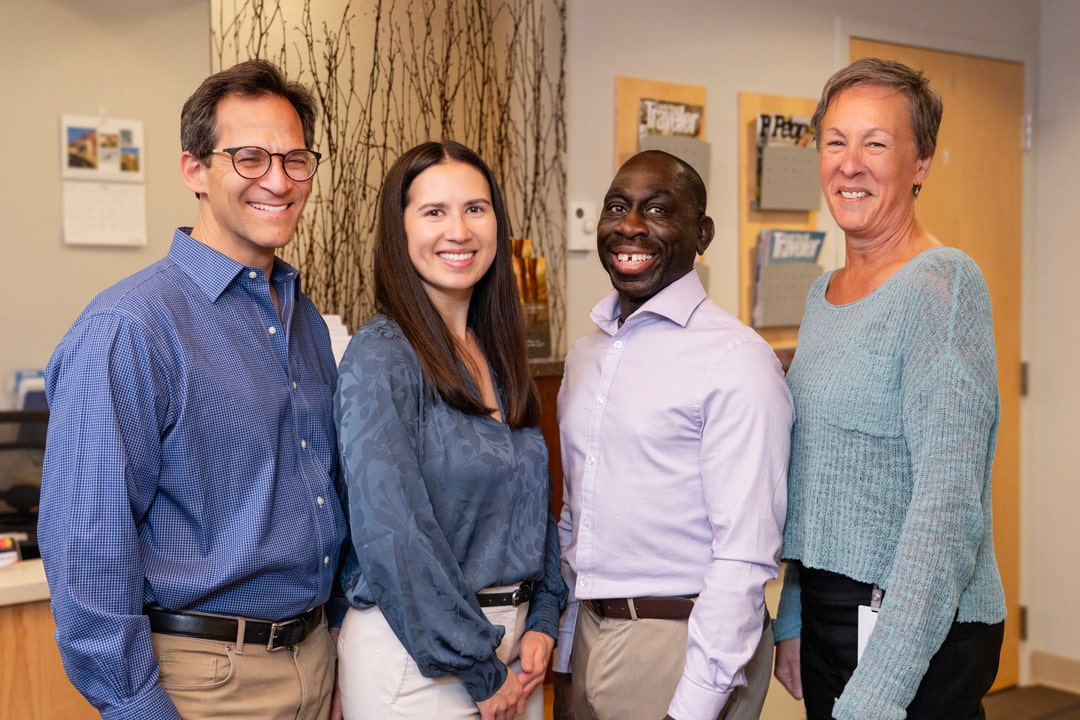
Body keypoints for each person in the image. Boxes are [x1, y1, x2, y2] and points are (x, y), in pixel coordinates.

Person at [39, 59, 347, 720]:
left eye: (295, 160)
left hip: (317, 659)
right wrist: (137, 706)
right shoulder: (130, 328)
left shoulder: (305, 323)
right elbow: (87, 549)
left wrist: (340, 651)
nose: (278, 181)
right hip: (205, 683)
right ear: (194, 170)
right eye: (249, 158)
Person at [771, 57, 1007, 720]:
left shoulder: (943, 285)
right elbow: (820, 472)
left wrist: (880, 688)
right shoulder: (823, 293)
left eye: (875, 144)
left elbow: (947, 511)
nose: (850, 164)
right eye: (835, 141)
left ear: (920, 163)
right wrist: (795, 613)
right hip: (831, 618)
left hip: (915, 629)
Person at [553, 149, 795, 720]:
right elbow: (576, 520)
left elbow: (745, 554)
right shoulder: (585, 358)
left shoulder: (736, 360)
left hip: (681, 646)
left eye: (658, 210)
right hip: (589, 633)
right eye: (617, 207)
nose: (631, 226)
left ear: (701, 234)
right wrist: (566, 656)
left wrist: (696, 704)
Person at [333, 140, 568, 720]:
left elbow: (532, 508)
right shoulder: (381, 356)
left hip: (513, 653)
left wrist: (542, 618)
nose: (458, 231)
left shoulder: (499, 353)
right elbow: (394, 536)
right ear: (400, 229)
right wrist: (480, 668)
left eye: (475, 209)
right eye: (434, 211)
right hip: (420, 662)